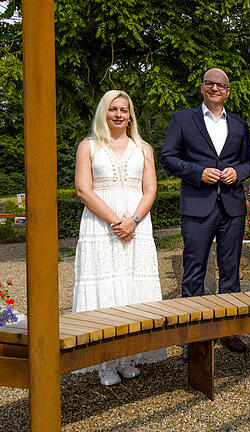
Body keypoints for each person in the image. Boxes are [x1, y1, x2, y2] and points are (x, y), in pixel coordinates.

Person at [161, 68, 250, 357]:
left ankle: (228, 331)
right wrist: (198, 172)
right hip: (197, 207)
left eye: (221, 85)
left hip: (232, 207)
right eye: (210, 83)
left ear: (228, 91)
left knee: (231, 273)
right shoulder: (182, 119)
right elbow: (168, 158)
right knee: (194, 272)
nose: (215, 88)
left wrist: (236, 172)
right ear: (202, 88)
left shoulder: (239, 125)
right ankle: (194, 338)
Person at [72, 90, 166, 386]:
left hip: (138, 225)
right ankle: (105, 362)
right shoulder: (88, 146)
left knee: (131, 287)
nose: (118, 115)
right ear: (104, 112)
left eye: (124, 110)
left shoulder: (143, 147)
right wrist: (116, 221)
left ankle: (128, 357)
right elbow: (84, 190)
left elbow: (150, 189)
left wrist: (133, 220)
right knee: (106, 288)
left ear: (130, 115)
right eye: (113, 109)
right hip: (102, 227)